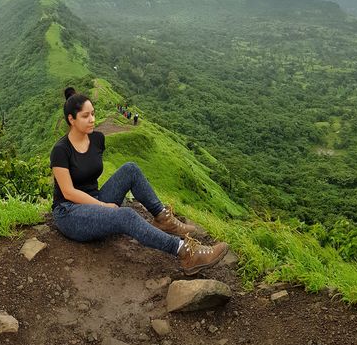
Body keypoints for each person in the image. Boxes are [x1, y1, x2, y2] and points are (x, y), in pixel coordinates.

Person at [51, 87, 228, 275]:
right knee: (125, 215)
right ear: (71, 119)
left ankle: (163, 218)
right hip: (69, 212)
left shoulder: (97, 139)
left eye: (93, 114)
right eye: (86, 116)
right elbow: (68, 192)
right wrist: (103, 205)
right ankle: (186, 252)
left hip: (94, 198)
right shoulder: (61, 150)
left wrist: (101, 204)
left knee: (130, 169)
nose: (93, 119)